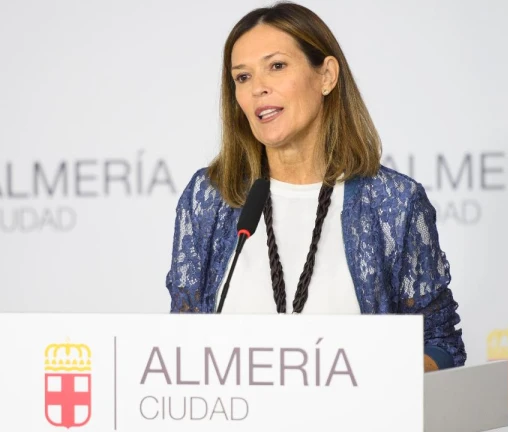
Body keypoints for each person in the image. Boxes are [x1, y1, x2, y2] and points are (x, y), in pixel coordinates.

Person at [165, 1, 466, 371]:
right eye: (242, 77)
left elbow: (440, 346)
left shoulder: (393, 203)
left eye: (277, 66)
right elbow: (182, 343)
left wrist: (381, 381)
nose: (258, 88)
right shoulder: (210, 197)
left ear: (326, 76)